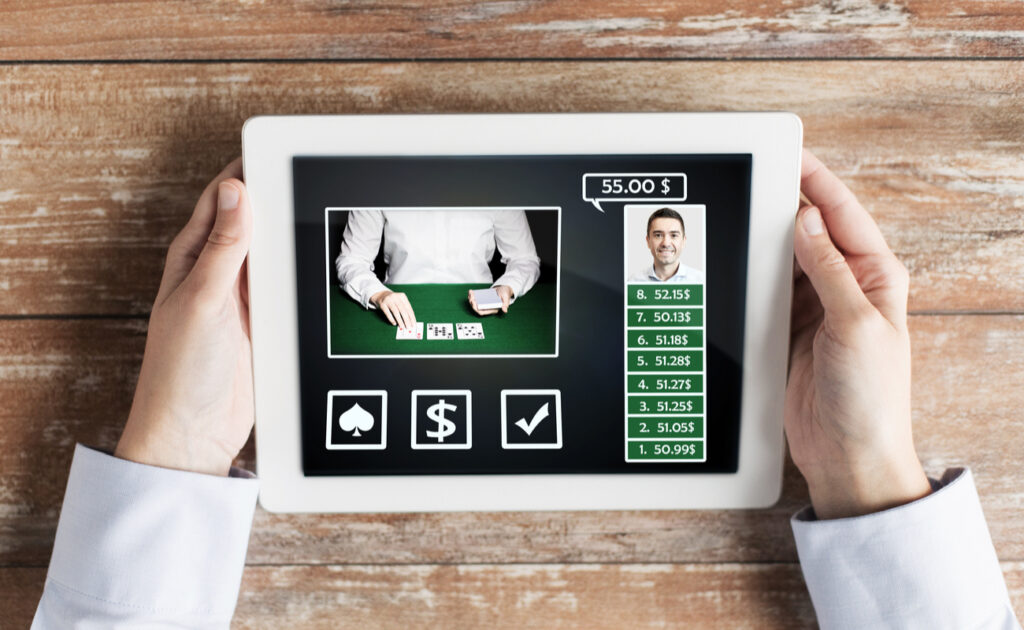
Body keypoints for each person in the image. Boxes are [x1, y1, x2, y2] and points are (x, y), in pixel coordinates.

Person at [31, 154, 1022, 629]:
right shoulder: (371, 213)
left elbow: (526, 266)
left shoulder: (514, 217)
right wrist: (381, 298)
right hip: (395, 321)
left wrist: (500, 292)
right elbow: (348, 265)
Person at [335, 209, 542, 327]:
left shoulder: (500, 185)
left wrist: (506, 287)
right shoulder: (376, 182)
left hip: (484, 314)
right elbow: (351, 260)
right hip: (395, 314)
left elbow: (525, 259)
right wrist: (379, 294)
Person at [628, 207, 704, 283]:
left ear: (683, 241)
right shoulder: (633, 282)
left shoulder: (700, 281)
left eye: (674, 235)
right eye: (658, 235)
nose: (666, 243)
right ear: (648, 241)